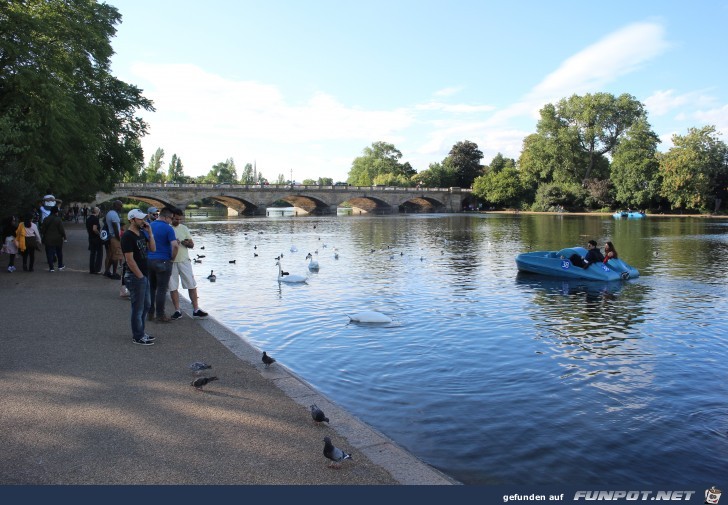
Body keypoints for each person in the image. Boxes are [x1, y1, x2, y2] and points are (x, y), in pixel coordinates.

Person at [121, 209, 156, 345]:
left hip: (144, 274)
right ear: (132, 220)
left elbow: (152, 249)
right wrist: (140, 277)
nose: (143, 221)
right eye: (140, 219)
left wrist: (150, 233)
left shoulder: (141, 233)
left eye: (143, 219)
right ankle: (138, 336)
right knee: (138, 307)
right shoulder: (127, 237)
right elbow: (129, 259)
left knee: (146, 304)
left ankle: (141, 332)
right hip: (135, 276)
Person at [169, 207, 208, 320]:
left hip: (184, 260)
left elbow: (191, 244)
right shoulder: (167, 228)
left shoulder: (184, 228)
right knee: (173, 286)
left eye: (180, 219)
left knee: (191, 284)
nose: (178, 221)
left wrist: (186, 243)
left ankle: (196, 309)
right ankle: (177, 310)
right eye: (176, 219)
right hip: (171, 261)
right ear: (171, 217)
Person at [148, 207, 179, 323]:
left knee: (151, 288)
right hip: (163, 261)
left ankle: (150, 313)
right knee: (161, 289)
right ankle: (160, 315)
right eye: (171, 218)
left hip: (150, 260)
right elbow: (175, 246)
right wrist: (172, 258)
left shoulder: (149, 225)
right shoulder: (168, 228)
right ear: (166, 217)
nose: (172, 220)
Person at [40, 206, 67, 272]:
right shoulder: (58, 219)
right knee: (59, 252)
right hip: (58, 239)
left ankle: (51, 268)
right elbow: (61, 230)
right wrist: (65, 237)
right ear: (56, 212)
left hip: (48, 239)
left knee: (49, 253)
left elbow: (42, 230)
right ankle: (60, 266)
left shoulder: (46, 219)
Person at [103, 200, 123, 279]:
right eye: (120, 206)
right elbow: (115, 227)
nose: (121, 207)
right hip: (115, 237)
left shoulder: (109, 213)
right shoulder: (114, 215)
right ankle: (114, 274)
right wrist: (119, 239)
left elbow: (104, 221)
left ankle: (107, 271)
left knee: (111, 255)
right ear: (116, 206)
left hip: (111, 237)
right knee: (116, 256)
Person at [86, 206, 104, 274]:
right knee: (99, 254)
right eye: (98, 210)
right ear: (96, 211)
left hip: (90, 237)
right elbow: (94, 229)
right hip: (96, 238)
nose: (99, 211)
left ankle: (92, 269)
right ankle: (97, 270)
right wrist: (100, 235)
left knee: (92, 254)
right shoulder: (95, 219)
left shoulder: (88, 219)